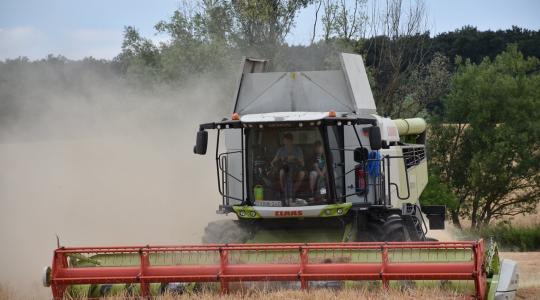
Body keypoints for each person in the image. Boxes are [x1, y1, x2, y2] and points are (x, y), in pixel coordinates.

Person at [271, 133, 305, 199]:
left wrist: (294, 157)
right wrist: (272, 164)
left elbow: (302, 163)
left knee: (301, 174)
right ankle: (285, 191)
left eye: (288, 141)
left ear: (292, 141)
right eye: (285, 141)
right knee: (282, 172)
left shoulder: (298, 149)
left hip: (296, 168)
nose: (286, 143)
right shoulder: (281, 150)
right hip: (285, 167)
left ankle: (291, 192)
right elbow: (274, 160)